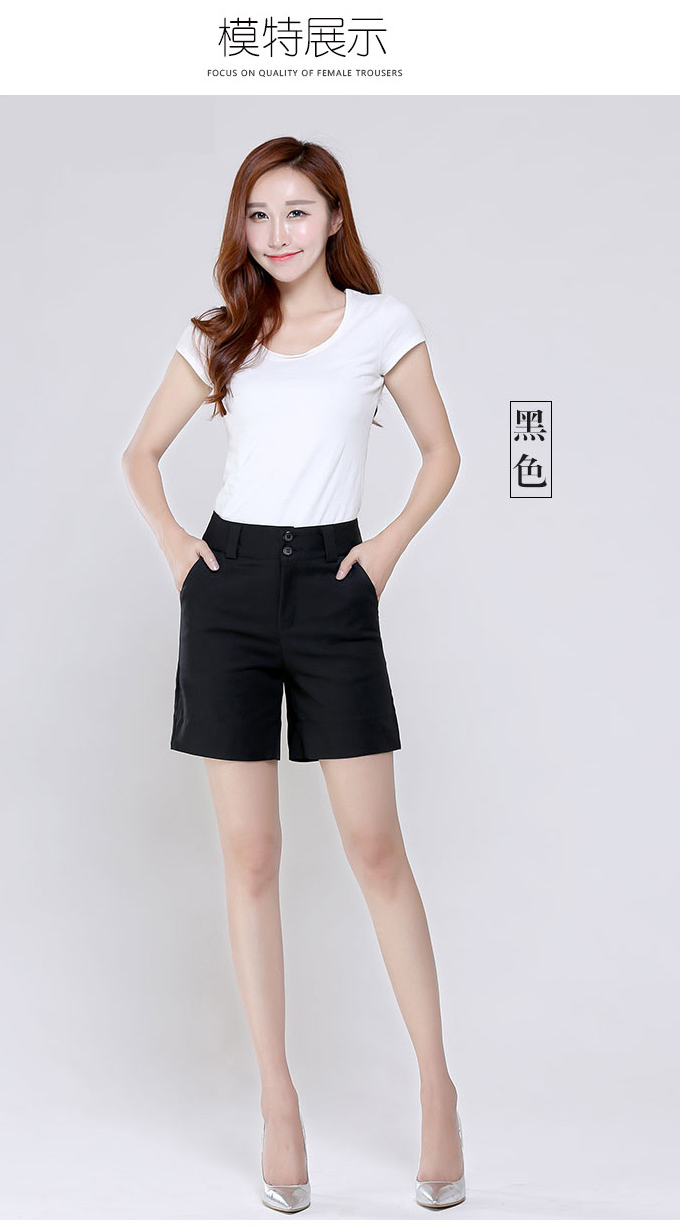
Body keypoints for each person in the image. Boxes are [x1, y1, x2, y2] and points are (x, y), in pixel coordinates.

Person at [121, 136, 465, 1212]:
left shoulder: (380, 325)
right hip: (227, 591)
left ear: (334, 219)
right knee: (253, 856)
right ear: (243, 225)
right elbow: (138, 454)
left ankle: (437, 1088)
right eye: (259, 214)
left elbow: (443, 453)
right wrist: (178, 547)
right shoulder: (219, 336)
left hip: (331, 583)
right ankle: (278, 1103)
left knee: (375, 849)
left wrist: (386, 549)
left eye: (298, 212)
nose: (277, 233)